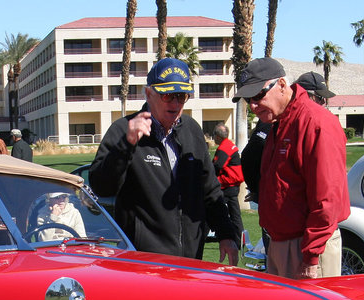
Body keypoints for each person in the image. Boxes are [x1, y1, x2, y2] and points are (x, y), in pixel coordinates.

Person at [89, 57, 239, 263]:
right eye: (168, 96)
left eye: (182, 96)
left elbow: (210, 190)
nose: (176, 104)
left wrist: (226, 234)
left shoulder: (192, 130)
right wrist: (126, 144)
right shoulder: (123, 129)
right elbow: (101, 186)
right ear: (149, 94)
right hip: (144, 260)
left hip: (191, 258)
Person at [233, 58, 349, 279]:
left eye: (258, 96)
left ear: (282, 85)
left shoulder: (315, 122)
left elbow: (327, 200)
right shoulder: (279, 123)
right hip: (280, 243)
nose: (253, 105)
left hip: (307, 247)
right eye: (249, 99)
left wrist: (311, 256)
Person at [211, 123, 244, 242]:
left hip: (227, 184)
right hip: (232, 184)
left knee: (214, 208)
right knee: (234, 213)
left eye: (214, 135)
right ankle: (239, 237)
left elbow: (216, 166)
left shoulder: (223, 148)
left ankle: (213, 233)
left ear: (218, 136)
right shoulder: (229, 145)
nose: (213, 138)